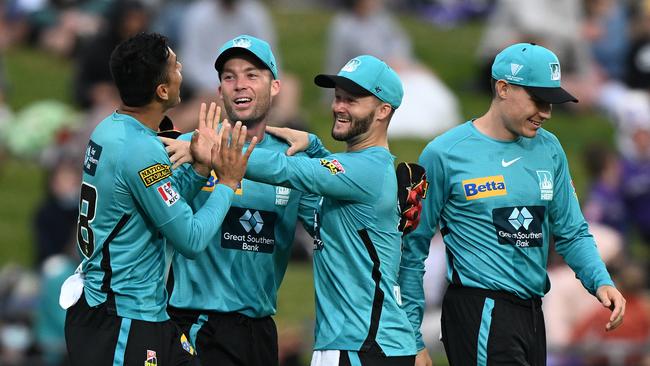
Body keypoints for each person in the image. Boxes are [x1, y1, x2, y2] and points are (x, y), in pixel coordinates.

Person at [398, 42, 626, 366]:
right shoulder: (445, 153)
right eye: (538, 100)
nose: (546, 113)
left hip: (533, 312)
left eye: (551, 102)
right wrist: (410, 335)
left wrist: (599, 280)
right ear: (503, 88)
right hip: (482, 309)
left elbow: (571, 230)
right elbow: (413, 247)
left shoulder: (550, 148)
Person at [62, 32, 255, 365]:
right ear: (162, 90)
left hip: (142, 312)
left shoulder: (110, 130)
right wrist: (226, 181)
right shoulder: (141, 150)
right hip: (121, 319)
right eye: (174, 64)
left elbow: (158, 202)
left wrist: (198, 167)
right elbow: (191, 238)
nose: (181, 66)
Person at [240, 55, 418, 365]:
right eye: (338, 97)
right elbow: (319, 183)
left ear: (383, 111)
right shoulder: (357, 173)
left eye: (353, 100)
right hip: (357, 343)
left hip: (362, 345)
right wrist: (314, 146)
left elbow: (287, 170)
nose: (338, 106)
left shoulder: (366, 169)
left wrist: (214, 151)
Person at [161, 34, 320, 366]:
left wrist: (317, 147)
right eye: (229, 76)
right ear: (219, 91)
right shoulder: (192, 148)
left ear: (275, 86)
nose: (239, 85)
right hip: (194, 323)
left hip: (257, 329)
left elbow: (330, 221)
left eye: (251, 74)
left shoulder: (292, 158)